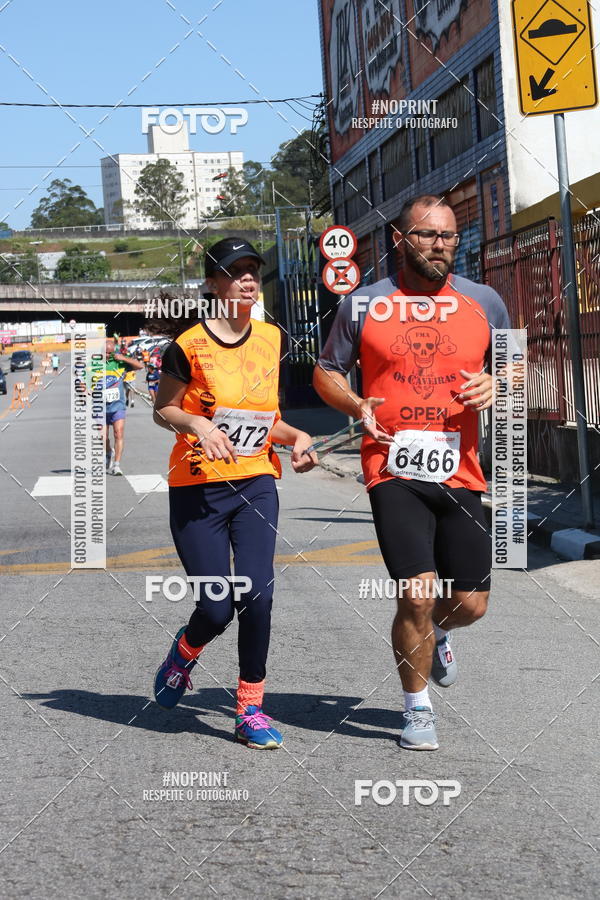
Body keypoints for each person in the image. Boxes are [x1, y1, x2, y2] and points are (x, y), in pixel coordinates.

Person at [313, 194, 511, 751]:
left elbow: (515, 362)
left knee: (470, 603)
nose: (439, 245)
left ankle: (439, 634)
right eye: (427, 235)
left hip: (461, 471)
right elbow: (326, 371)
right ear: (400, 240)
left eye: (448, 236)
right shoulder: (364, 304)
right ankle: (417, 707)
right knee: (418, 595)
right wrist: (357, 405)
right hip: (392, 468)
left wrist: (498, 381)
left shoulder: (484, 301)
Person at [152, 237, 318, 749]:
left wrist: (299, 438)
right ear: (212, 283)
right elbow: (163, 410)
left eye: (253, 270)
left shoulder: (271, 338)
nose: (247, 279)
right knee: (216, 608)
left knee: (258, 595)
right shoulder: (188, 345)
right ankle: (183, 653)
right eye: (235, 271)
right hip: (198, 488)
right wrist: (198, 425)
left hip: (255, 482)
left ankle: (250, 709)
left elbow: (267, 420)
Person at [101, 337, 144, 475]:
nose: (107, 355)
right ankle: (109, 452)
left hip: (118, 405)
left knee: (118, 433)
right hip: (100, 407)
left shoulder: (120, 363)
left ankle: (117, 465)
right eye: (105, 352)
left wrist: (123, 358)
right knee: (102, 437)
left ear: (114, 352)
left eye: (110, 353)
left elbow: (140, 366)